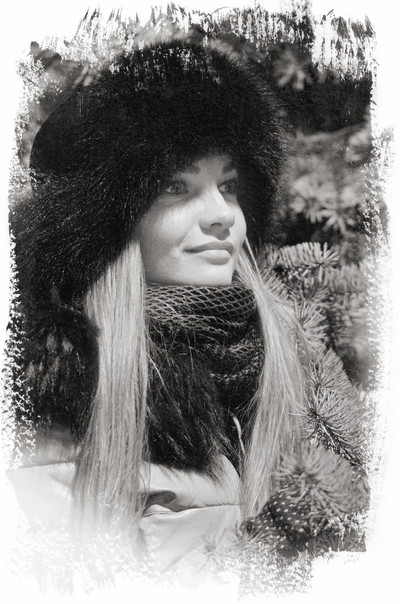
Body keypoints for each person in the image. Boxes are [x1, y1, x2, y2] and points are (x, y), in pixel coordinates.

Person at [7, 37, 368, 590]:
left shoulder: (285, 362)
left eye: (229, 185)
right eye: (177, 187)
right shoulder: (60, 401)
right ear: (111, 227)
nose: (222, 214)